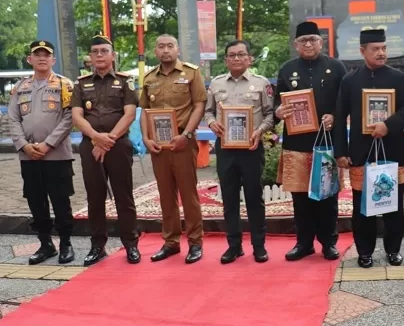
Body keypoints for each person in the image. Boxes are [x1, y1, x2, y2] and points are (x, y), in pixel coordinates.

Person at [334, 29, 404, 268]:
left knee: (394, 205)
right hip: (361, 152)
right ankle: (365, 252)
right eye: (376, 49)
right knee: (363, 208)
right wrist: (340, 152)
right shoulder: (350, 80)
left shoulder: (397, 78)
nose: (381, 53)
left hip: (391, 150)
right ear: (363, 51)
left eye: (384, 48)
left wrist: (388, 124)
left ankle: (393, 250)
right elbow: (340, 117)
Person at [275, 21, 347, 261]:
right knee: (300, 197)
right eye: (303, 40)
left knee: (327, 195)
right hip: (296, 143)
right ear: (296, 44)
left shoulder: (336, 67)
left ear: (321, 42)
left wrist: (335, 116)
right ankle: (303, 243)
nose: (308, 44)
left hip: (326, 141)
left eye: (312, 40)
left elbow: (346, 102)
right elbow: (277, 102)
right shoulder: (286, 69)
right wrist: (278, 113)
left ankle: (328, 242)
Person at [72, 34, 140, 266]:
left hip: (118, 145)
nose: (99, 55)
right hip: (90, 146)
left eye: (104, 51)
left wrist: (108, 140)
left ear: (113, 55)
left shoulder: (125, 81)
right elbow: (77, 116)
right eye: (95, 52)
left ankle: (131, 244)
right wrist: (96, 138)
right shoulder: (80, 84)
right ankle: (97, 246)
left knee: (124, 195)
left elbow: (129, 114)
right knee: (95, 196)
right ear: (89, 58)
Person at [205, 40, 275, 264]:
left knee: (255, 198)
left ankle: (259, 246)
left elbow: (271, 114)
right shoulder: (216, 84)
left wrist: (260, 131)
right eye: (231, 55)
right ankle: (234, 246)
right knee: (229, 198)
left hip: (252, 148)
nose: (236, 58)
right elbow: (208, 112)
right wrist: (212, 123)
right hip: (225, 149)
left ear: (249, 58)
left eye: (241, 54)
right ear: (225, 60)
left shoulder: (261, 83)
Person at [140, 34, 207, 264]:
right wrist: (146, 139)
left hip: (183, 143)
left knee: (189, 196)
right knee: (166, 196)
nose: (165, 50)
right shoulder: (149, 78)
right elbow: (144, 111)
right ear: (155, 51)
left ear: (177, 49)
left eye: (170, 46)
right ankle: (170, 242)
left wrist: (187, 134)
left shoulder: (191, 73)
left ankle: (195, 243)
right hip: (159, 146)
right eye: (161, 46)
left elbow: (199, 104)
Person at [7, 40, 75, 265]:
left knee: (60, 199)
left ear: (53, 60)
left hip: (56, 155)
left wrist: (48, 144)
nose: (42, 58)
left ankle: (66, 243)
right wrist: (25, 146)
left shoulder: (65, 85)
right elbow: (13, 119)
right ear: (30, 59)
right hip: (29, 156)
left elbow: (69, 118)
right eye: (38, 54)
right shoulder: (20, 88)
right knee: (36, 200)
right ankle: (46, 244)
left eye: (47, 55)